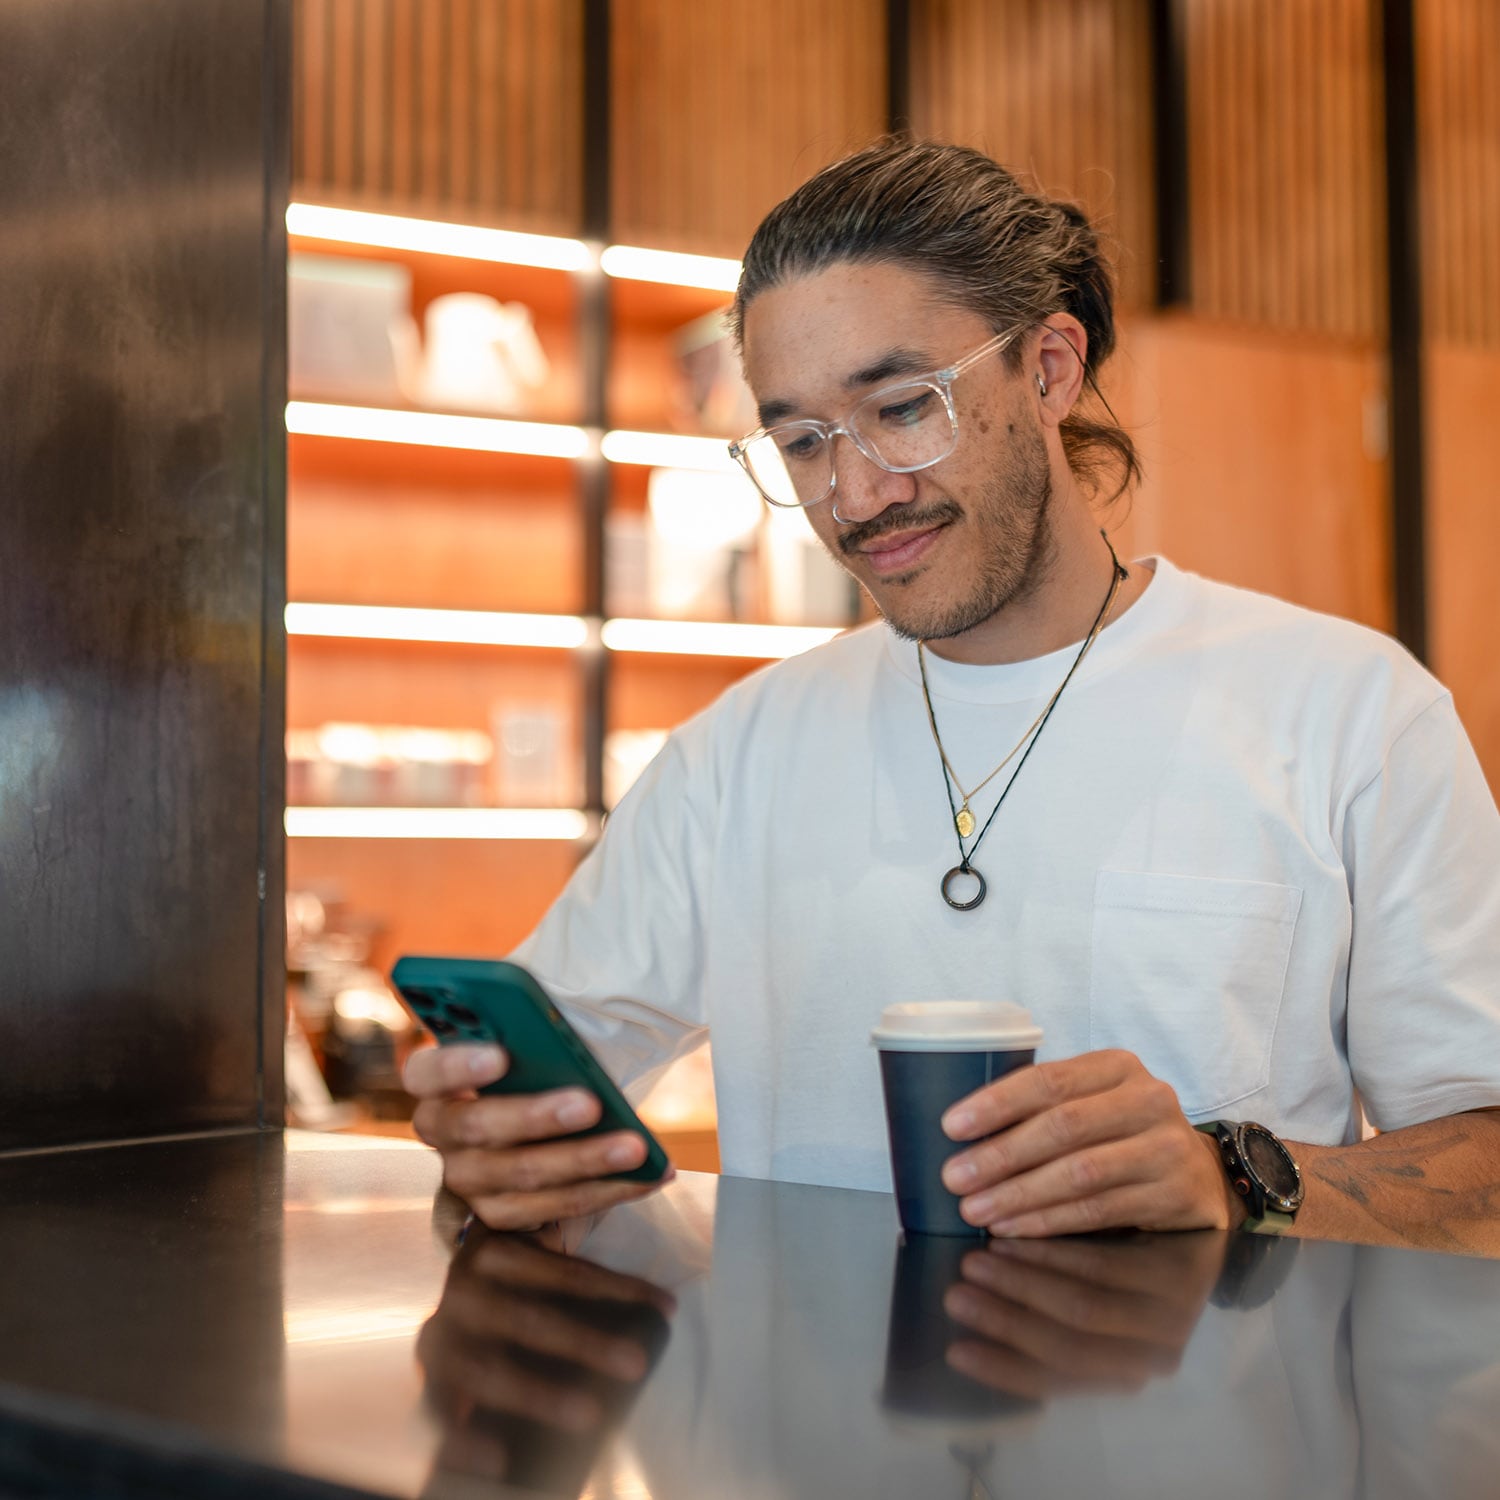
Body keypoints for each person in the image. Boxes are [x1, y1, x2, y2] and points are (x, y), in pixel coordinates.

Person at [406, 139, 1500, 1250]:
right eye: (799, 440)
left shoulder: (1351, 716)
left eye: (902, 406)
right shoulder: (735, 756)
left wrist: (1236, 1176)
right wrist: (490, 1135)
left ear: (1051, 369)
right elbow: (530, 1086)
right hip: (814, 1418)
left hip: (1211, 1416)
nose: (855, 495)